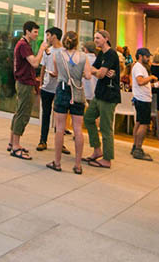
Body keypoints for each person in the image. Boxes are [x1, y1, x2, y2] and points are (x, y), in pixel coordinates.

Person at [47, 31, 92, 175]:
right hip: (78, 92)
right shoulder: (84, 57)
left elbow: (55, 73)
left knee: (60, 128)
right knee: (78, 129)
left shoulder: (57, 56)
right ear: (77, 42)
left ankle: (57, 162)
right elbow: (88, 75)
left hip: (62, 90)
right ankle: (77, 165)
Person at [9, 21, 46, 160]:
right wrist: (42, 49)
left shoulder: (23, 44)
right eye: (35, 32)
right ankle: (16, 146)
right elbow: (35, 63)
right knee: (23, 113)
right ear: (27, 31)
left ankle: (12, 142)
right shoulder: (24, 45)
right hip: (24, 83)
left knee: (19, 112)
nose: (37, 34)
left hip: (23, 82)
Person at [83, 30, 118, 169]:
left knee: (105, 127)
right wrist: (98, 72)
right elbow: (94, 69)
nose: (95, 40)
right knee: (88, 119)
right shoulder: (102, 54)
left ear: (106, 38)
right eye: (94, 38)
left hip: (109, 97)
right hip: (99, 94)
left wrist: (98, 72)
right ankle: (97, 150)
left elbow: (101, 74)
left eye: (98, 38)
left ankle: (107, 159)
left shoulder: (111, 54)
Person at [37, 27, 64, 153]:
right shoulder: (47, 51)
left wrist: (58, 75)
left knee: (60, 116)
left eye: (48, 35)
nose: (47, 37)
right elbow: (43, 67)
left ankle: (60, 143)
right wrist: (41, 83)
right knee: (46, 113)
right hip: (47, 87)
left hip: (60, 87)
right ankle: (43, 140)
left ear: (54, 36)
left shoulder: (64, 52)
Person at [130, 48, 156, 161]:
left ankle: (135, 146)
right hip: (142, 99)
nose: (148, 58)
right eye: (146, 56)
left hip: (140, 98)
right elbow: (140, 82)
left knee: (139, 122)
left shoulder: (139, 67)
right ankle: (138, 149)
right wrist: (151, 77)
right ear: (140, 56)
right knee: (144, 124)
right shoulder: (139, 67)